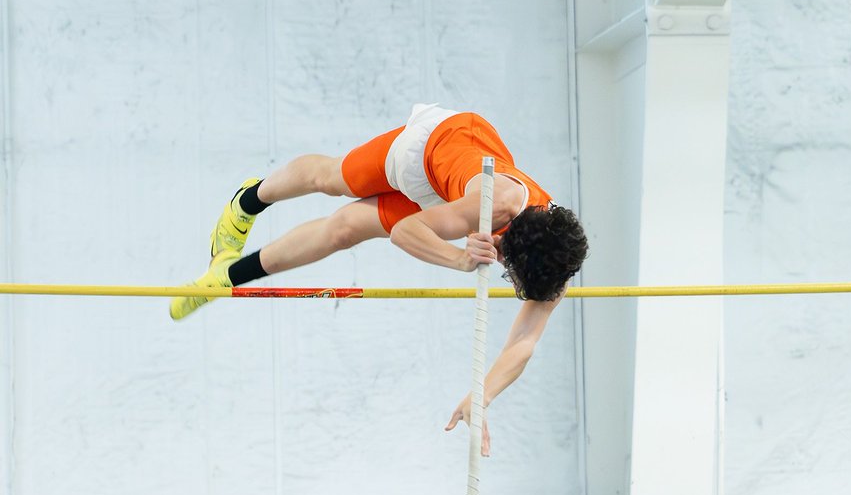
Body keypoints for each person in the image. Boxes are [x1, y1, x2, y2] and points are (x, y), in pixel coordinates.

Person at [170, 104, 588, 454]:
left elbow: (525, 341)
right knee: (331, 180)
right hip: (428, 151)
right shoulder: (494, 204)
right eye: (504, 260)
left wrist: (483, 397)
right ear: (511, 236)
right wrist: (458, 259)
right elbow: (406, 233)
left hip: (445, 198)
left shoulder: (554, 264)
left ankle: (226, 276)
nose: (498, 265)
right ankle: (248, 199)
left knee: (343, 230)